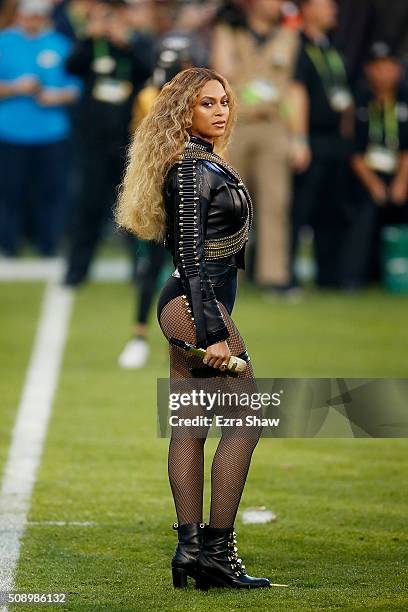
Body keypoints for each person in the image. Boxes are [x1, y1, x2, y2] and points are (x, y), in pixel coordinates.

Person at [115, 67, 271, 590]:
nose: (221, 110)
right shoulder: (189, 168)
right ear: (184, 110)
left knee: (191, 425)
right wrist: (213, 334)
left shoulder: (202, 160)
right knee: (246, 421)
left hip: (195, 306)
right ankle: (216, 554)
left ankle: (189, 554)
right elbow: (191, 261)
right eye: (207, 103)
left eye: (225, 100)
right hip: (193, 307)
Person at [211, 0, 300, 295]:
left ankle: (273, 277)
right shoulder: (231, 31)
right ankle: (226, 271)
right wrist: (226, 28)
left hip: (273, 124)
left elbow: (292, 88)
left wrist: (297, 136)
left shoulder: (287, 35)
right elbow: (221, 69)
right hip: (235, 124)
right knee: (230, 202)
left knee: (275, 202)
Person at [63, 0, 154, 286]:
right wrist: (90, 34)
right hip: (93, 142)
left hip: (128, 143)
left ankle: (139, 269)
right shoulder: (92, 45)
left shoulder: (138, 43)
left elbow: (148, 71)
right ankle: (77, 270)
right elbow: (71, 66)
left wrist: (125, 42)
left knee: (132, 208)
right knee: (88, 207)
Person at [0, 0, 80, 256]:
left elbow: (77, 88)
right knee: (10, 191)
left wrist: (55, 96)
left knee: (50, 192)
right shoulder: (4, 42)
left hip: (51, 131)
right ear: (20, 15)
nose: (32, 20)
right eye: (28, 15)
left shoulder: (60, 44)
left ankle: (48, 243)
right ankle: (9, 243)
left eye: (37, 16)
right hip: (11, 131)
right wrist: (15, 87)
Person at [290, 0, 353, 288]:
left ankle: (330, 277)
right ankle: (285, 275)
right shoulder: (296, 45)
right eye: (326, 4)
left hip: (335, 141)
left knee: (332, 209)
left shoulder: (333, 47)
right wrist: (300, 139)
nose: (333, 10)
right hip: (311, 139)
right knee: (301, 209)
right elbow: (296, 93)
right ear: (308, 8)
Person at [341, 42, 408, 288]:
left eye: (389, 66)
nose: (384, 72)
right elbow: (354, 152)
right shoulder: (359, 102)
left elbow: (406, 150)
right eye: (378, 66)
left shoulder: (404, 100)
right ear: (369, 70)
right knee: (363, 210)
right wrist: (375, 185)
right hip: (367, 175)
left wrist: (400, 183)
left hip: (400, 173)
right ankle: (354, 278)